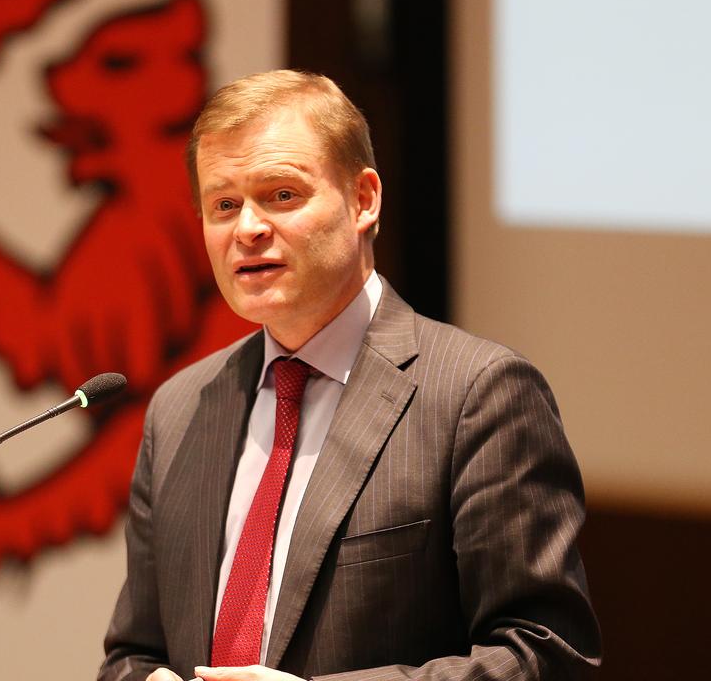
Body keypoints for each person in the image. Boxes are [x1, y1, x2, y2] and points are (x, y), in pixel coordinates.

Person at [98, 70, 601, 681]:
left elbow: (547, 654)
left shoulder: (479, 395)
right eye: (223, 205)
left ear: (363, 200)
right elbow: (132, 652)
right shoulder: (180, 409)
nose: (248, 229)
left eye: (281, 194)